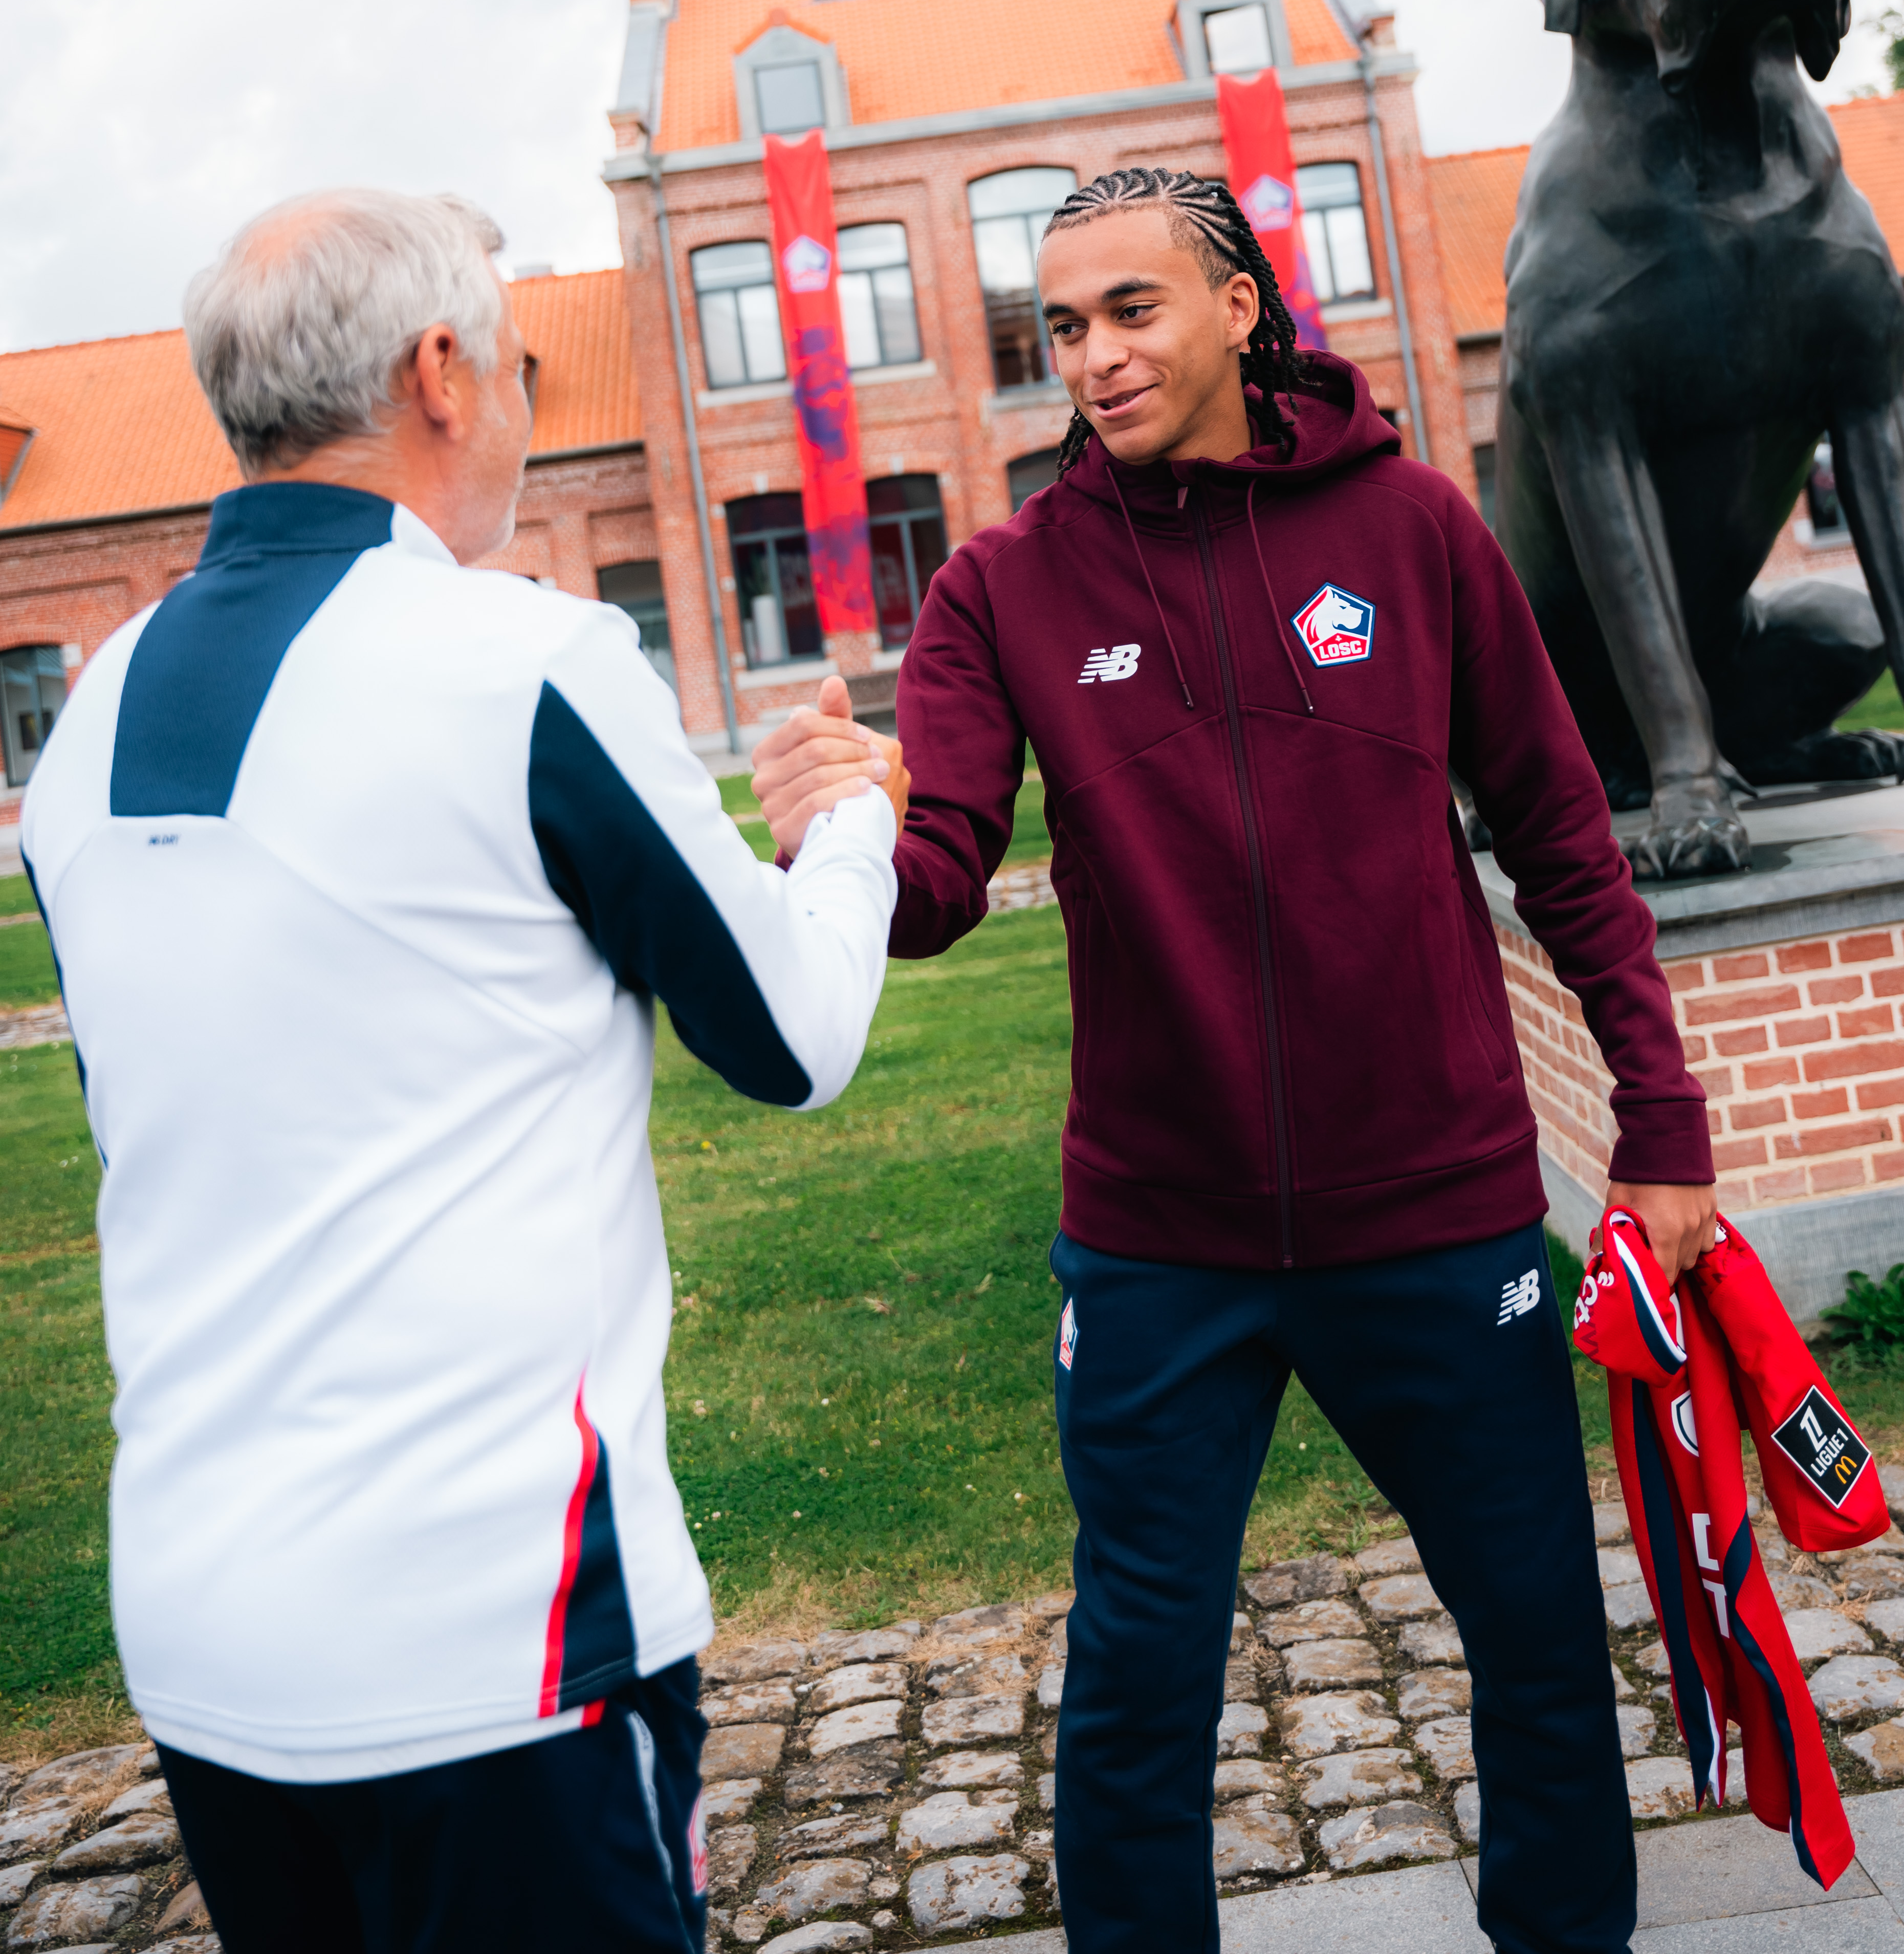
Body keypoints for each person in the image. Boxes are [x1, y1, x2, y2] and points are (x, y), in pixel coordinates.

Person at [752, 164, 1716, 1954]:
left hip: (1438, 1214)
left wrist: (1663, 1124)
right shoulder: (1001, 589)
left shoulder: (1419, 529)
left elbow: (1566, 839)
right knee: (1135, 1688)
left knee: (1537, 1646)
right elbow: (942, 882)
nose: (1096, 358)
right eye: (1063, 328)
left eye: (1131, 310)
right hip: (1158, 1247)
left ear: (1240, 311)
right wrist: (854, 827)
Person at [22, 189, 907, 1954]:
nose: (517, 395)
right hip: (496, 1638)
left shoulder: (91, 710)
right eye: (510, 360)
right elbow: (794, 1038)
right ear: (439, 373)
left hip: (202, 1633)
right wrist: (854, 831)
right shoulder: (526, 659)